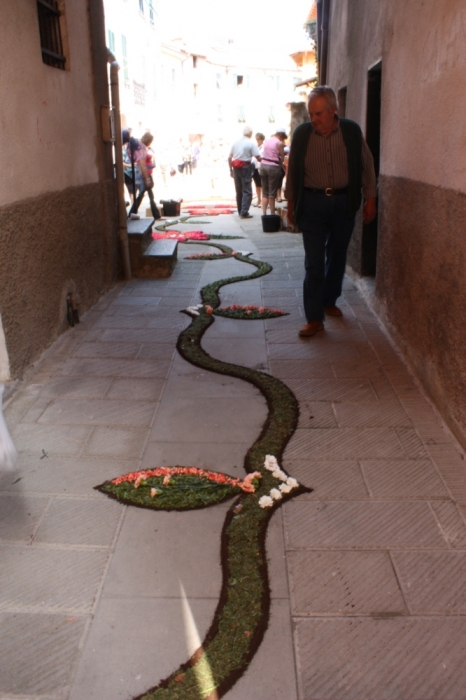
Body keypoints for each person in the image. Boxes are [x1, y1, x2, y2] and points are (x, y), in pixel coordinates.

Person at [285, 85, 377, 337]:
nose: (313, 119)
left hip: (343, 202)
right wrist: (290, 205)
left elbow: (367, 165)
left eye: (318, 114)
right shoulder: (302, 134)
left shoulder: (351, 131)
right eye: (310, 114)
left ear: (333, 110)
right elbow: (293, 171)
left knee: (337, 256)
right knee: (313, 263)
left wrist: (371, 197)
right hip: (312, 204)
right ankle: (314, 318)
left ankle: (329, 299)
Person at [228, 126, 262, 219]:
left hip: (235, 167)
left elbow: (229, 157)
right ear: (250, 134)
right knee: (247, 190)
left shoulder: (235, 143)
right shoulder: (251, 143)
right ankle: (244, 212)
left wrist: (230, 170)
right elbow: (258, 157)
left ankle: (240, 211)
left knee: (239, 191)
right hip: (245, 167)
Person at [128, 131, 161, 221]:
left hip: (146, 173)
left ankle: (132, 213)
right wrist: (146, 178)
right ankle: (155, 215)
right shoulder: (141, 148)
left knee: (145, 195)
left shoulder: (142, 147)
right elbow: (142, 164)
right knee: (144, 195)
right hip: (144, 174)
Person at [260, 128, 287, 215]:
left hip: (263, 166)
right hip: (273, 167)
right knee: (272, 193)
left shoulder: (267, 140)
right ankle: (272, 214)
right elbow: (282, 157)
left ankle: (264, 213)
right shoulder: (279, 143)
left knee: (265, 192)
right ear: (281, 136)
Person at [252, 133, 265, 207]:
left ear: (262, 139)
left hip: (261, 167)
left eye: (259, 139)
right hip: (255, 167)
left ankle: (263, 201)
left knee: (262, 185)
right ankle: (258, 200)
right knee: (257, 185)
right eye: (256, 139)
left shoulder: (264, 147)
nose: (257, 140)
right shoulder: (255, 147)